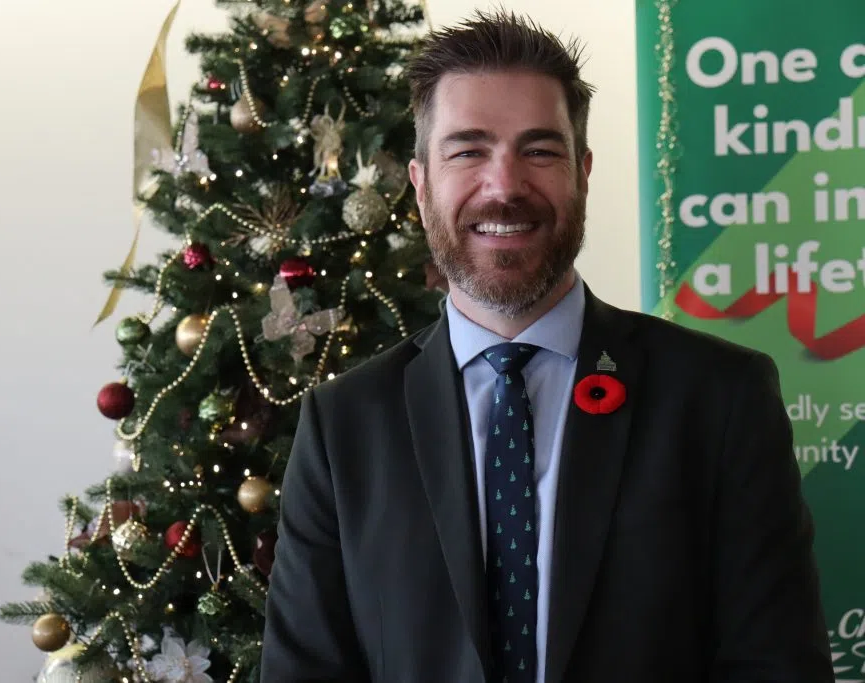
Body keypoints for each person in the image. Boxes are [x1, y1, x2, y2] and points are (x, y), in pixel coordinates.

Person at [259, 9, 833, 683]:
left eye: (539, 151)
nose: (504, 186)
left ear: (582, 173)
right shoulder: (344, 426)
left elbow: (776, 668)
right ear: (420, 187)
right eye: (468, 151)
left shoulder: (720, 399)